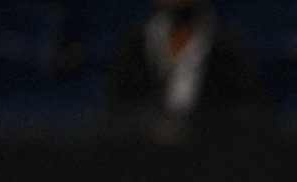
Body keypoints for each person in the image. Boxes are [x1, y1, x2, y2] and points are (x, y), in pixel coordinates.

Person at [106, 0, 265, 143]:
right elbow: (115, 108)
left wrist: (190, 127)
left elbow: (246, 112)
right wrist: (150, 124)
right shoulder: (137, 43)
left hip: (209, 153)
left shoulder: (227, 45)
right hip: (141, 154)